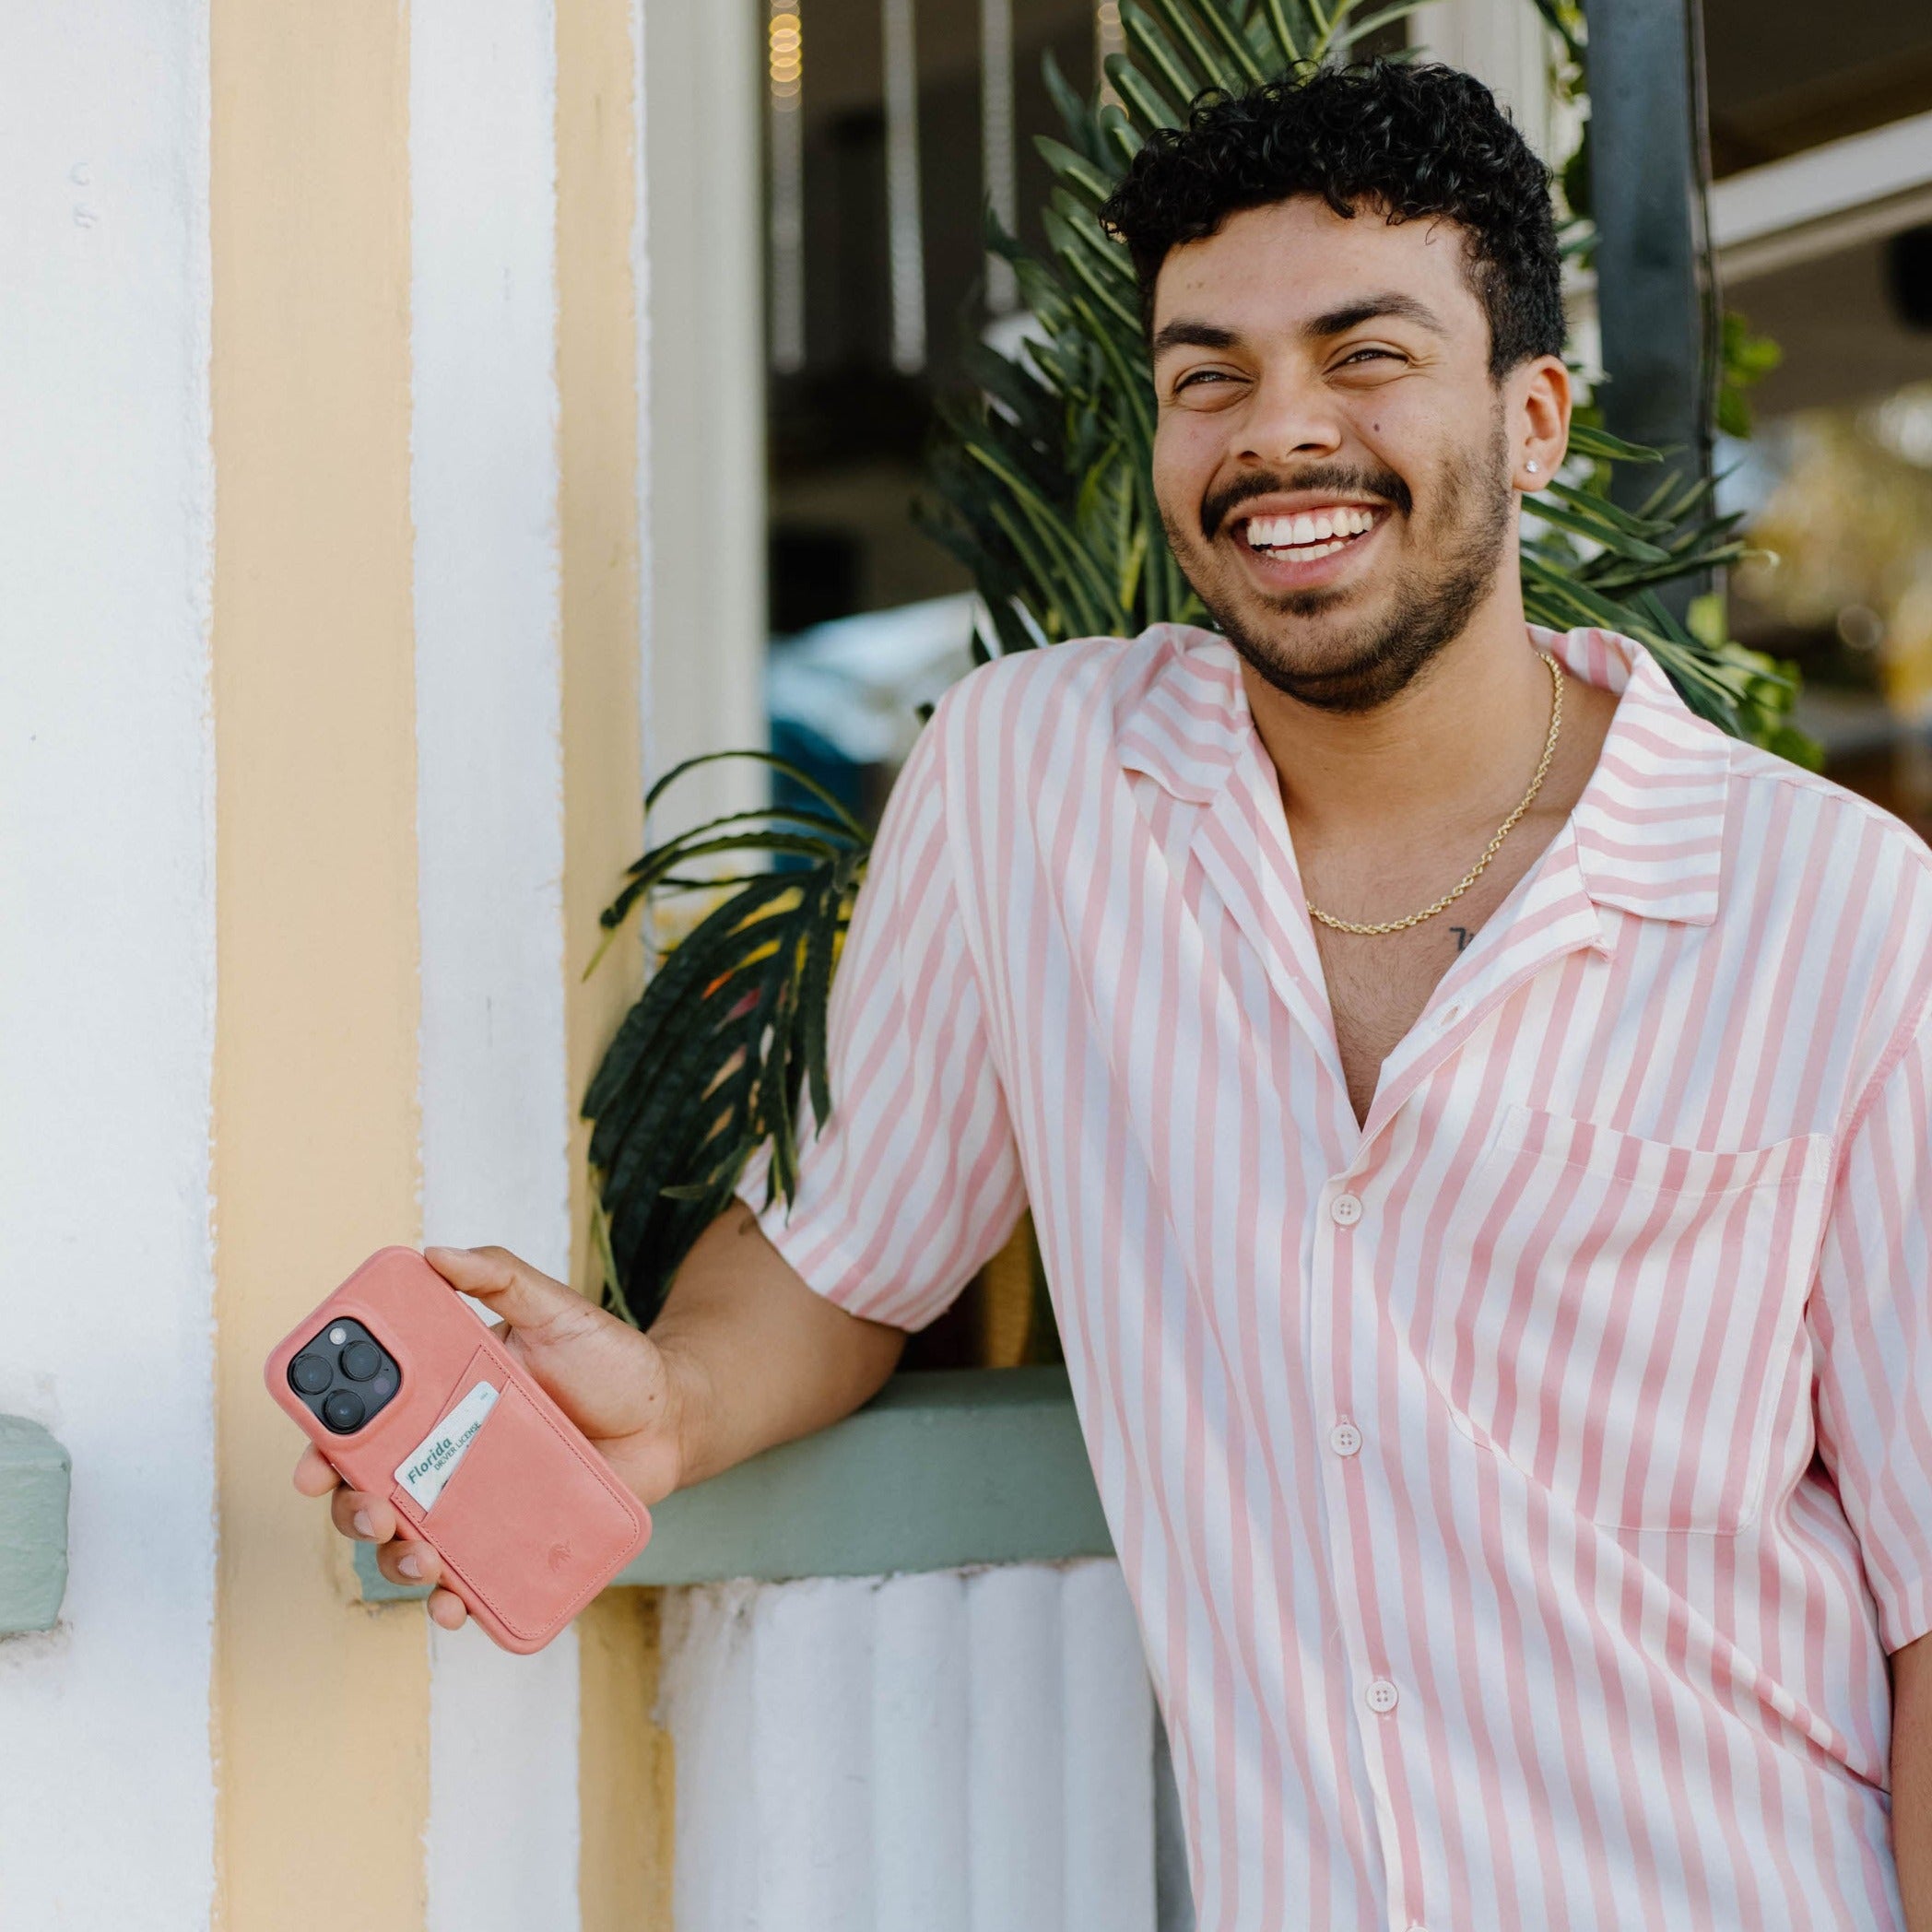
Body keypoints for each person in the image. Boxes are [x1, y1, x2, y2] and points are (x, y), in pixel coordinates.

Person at [298, 61, 1932, 1931]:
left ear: (1535, 415)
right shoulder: (1030, 784)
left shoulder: (1836, 912)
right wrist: (659, 1402)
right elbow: (849, 1250)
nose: (1275, 431)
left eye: (1364, 354)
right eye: (1204, 377)